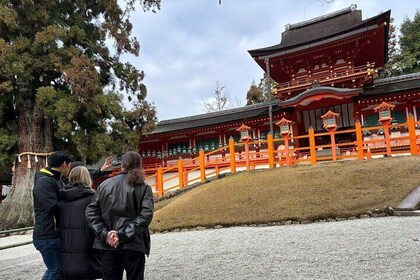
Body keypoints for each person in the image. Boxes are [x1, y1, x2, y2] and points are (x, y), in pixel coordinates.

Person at [86, 151, 154, 280]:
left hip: (108, 243)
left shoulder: (104, 185)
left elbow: (91, 211)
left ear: (122, 165)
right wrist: (122, 234)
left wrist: (105, 233)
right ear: (139, 165)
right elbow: (146, 215)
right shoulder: (143, 187)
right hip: (134, 242)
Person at [33, 151, 72, 280]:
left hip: (54, 234)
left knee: (59, 270)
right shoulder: (44, 182)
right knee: (55, 270)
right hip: (47, 236)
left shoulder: (57, 180)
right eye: (69, 165)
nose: (70, 169)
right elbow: (54, 207)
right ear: (64, 164)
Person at [59, 166, 102, 280]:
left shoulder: (62, 198)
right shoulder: (93, 197)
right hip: (87, 249)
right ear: (87, 178)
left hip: (66, 251)